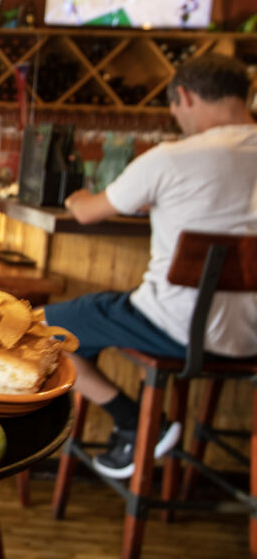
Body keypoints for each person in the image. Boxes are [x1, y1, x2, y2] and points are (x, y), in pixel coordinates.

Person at [45, 53, 257, 480]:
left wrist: (74, 197)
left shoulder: (171, 158)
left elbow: (88, 213)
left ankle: (133, 421)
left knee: (45, 329)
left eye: (175, 110)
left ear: (184, 96)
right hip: (252, 337)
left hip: (175, 328)